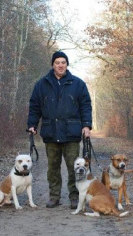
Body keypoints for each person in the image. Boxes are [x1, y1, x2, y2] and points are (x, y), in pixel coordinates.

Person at [27, 51, 92, 209]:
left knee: (74, 167)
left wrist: (86, 125)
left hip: (72, 132)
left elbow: (86, 105)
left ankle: (75, 197)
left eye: (63, 62)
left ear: (67, 64)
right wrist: (32, 124)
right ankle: (54, 196)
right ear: (52, 65)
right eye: (57, 62)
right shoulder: (41, 84)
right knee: (53, 168)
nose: (60, 65)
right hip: (51, 132)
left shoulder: (78, 83)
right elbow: (35, 106)